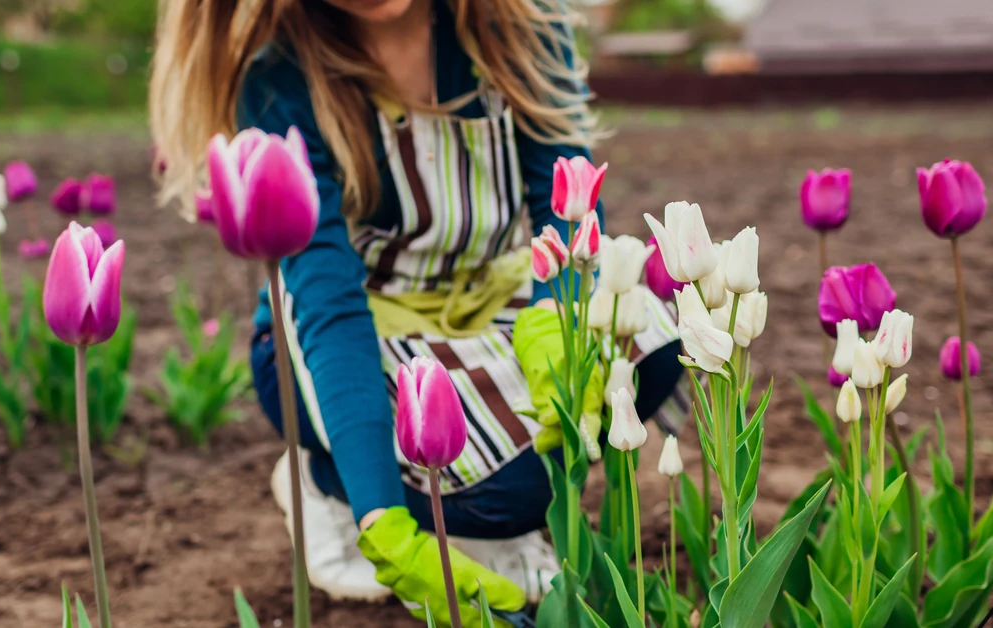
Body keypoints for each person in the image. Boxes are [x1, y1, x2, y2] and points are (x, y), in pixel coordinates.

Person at [150, 0, 686, 624]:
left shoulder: (523, 28)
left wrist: (554, 323)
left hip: (481, 303)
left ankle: (466, 509)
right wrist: (382, 520)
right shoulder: (282, 81)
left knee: (647, 345)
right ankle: (334, 484)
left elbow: (564, 205)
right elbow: (330, 304)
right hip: (351, 341)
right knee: (514, 488)